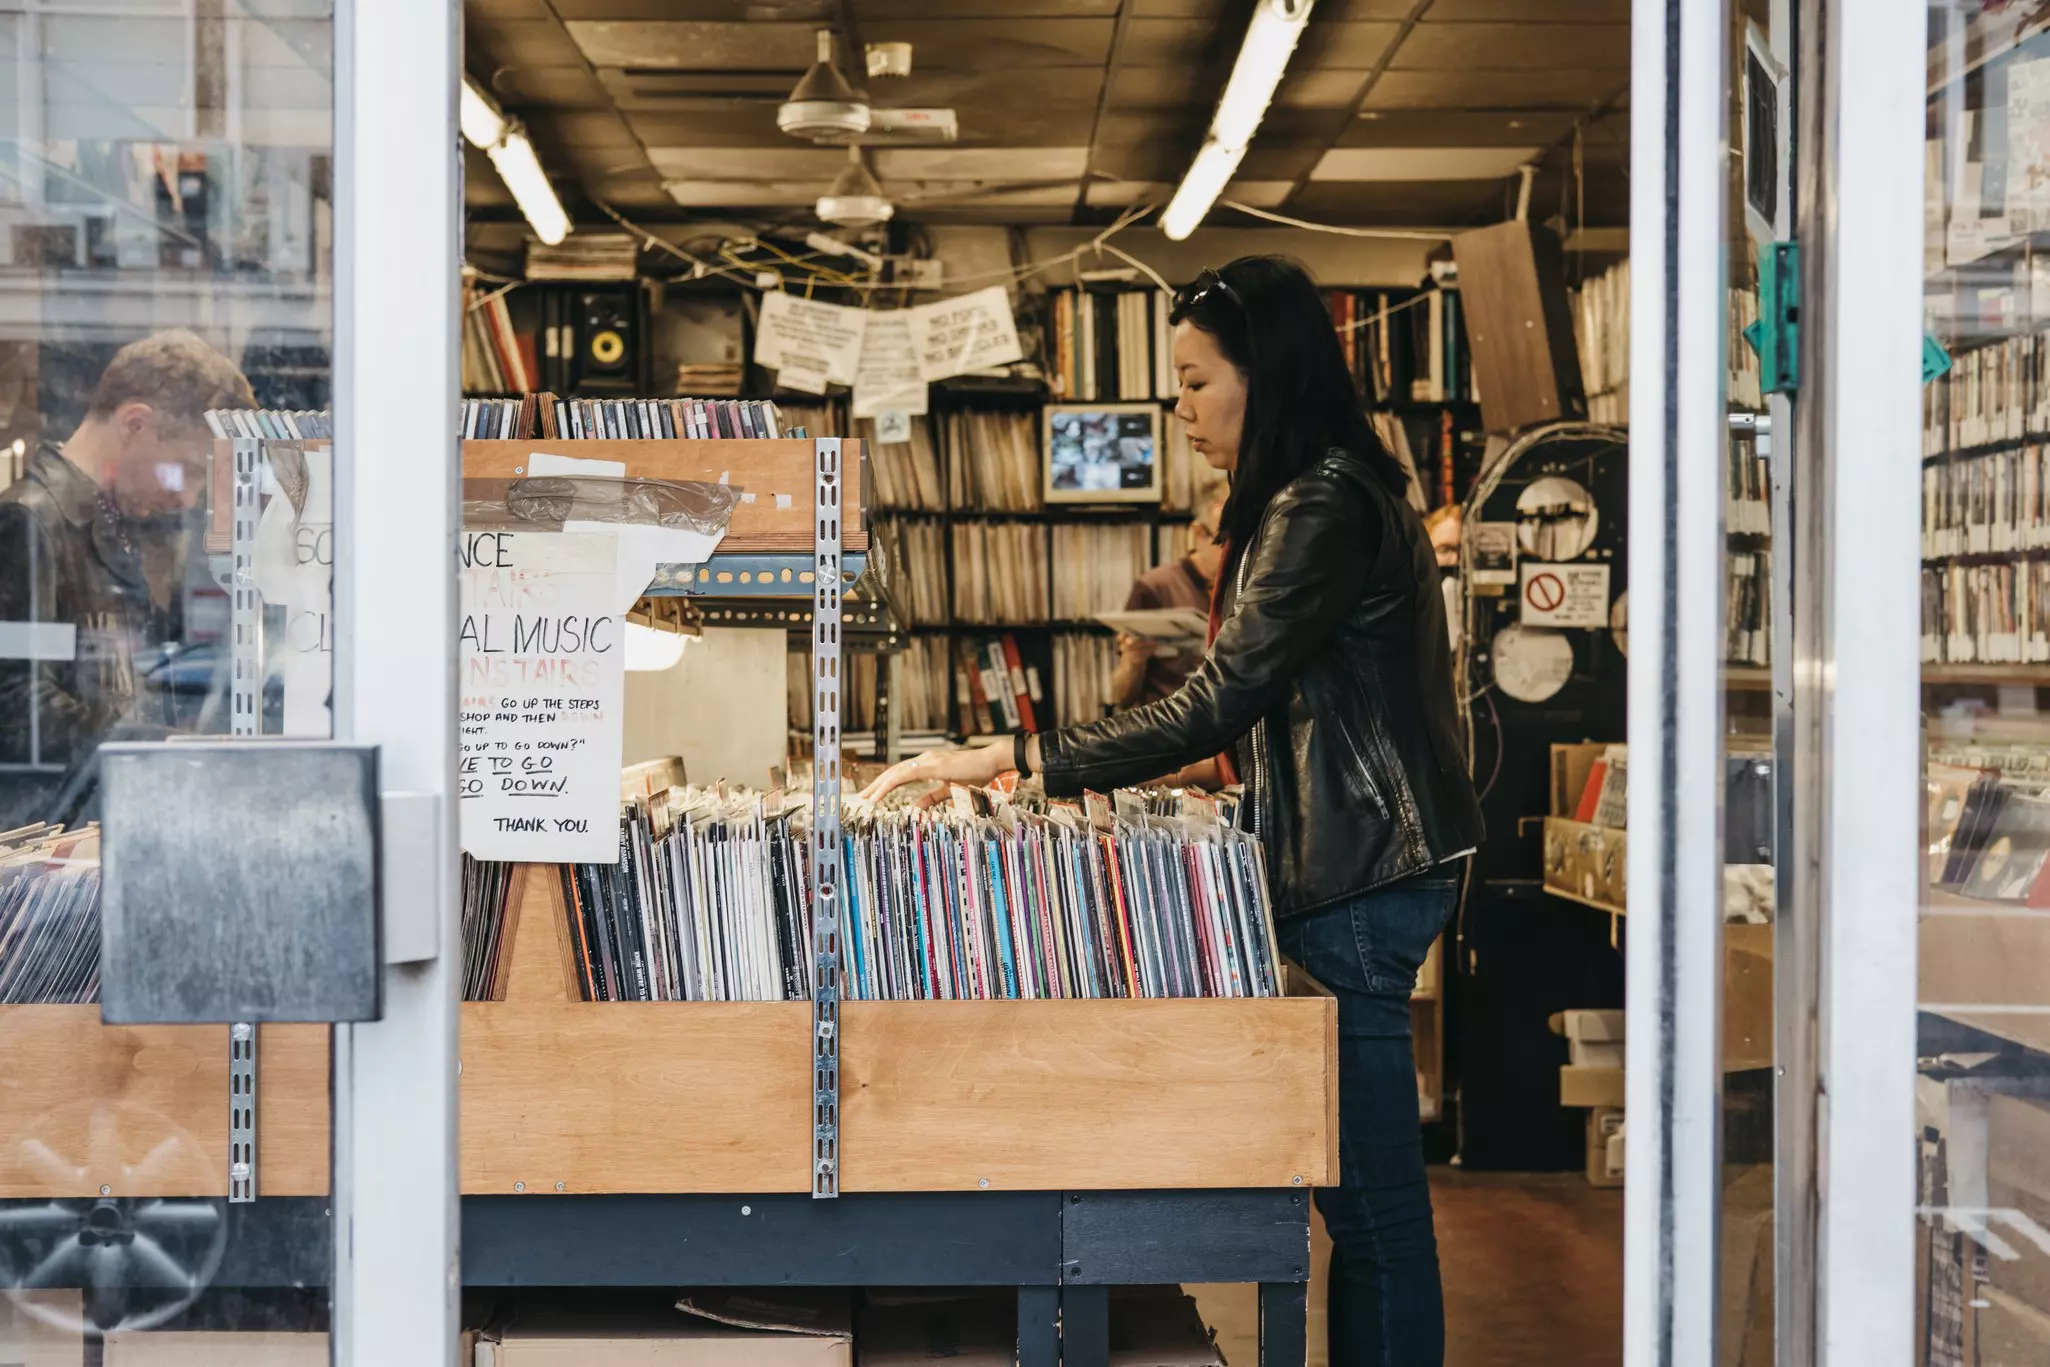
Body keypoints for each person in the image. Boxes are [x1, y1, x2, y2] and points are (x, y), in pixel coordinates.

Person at [860, 256, 1484, 1367]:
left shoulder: (1321, 501)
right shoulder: (1325, 493)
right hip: (1357, 865)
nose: (1179, 408)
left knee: (1376, 1212)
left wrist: (1010, 752)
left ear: (1269, 374)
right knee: (1363, 1207)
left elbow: (1218, 699)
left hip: (1360, 878)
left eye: (1197, 381)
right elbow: (1280, 708)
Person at [0, 330, 255, 824]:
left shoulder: (117, 527)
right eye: (185, 469)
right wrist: (160, 746)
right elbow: (14, 703)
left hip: (90, 823)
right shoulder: (27, 522)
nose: (187, 498)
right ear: (135, 423)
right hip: (45, 840)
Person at [1111, 487, 1227, 710]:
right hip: (1169, 726)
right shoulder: (1155, 587)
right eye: (1225, 541)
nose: (1236, 551)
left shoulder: (1248, 584)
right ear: (1198, 533)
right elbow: (1121, 697)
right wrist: (1133, 661)